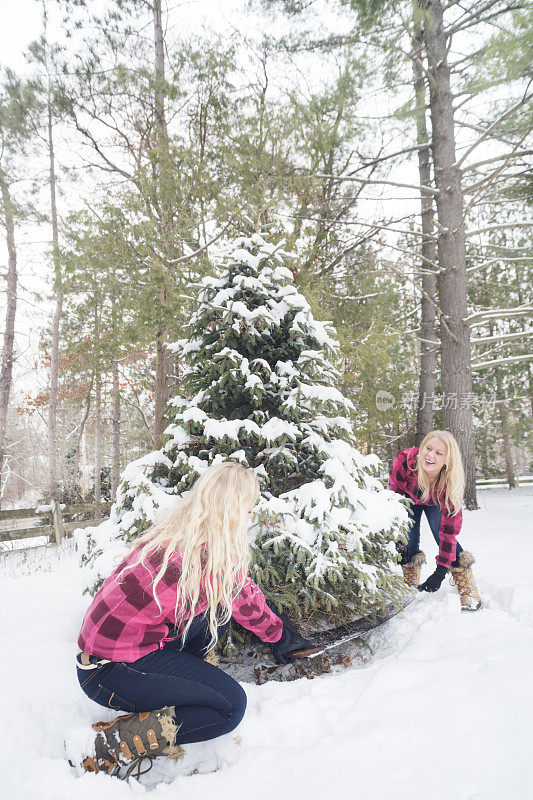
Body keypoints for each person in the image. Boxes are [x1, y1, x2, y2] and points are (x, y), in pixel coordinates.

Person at [75, 461, 311, 778]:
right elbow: (246, 603)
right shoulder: (203, 556)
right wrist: (283, 638)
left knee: (216, 612)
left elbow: (239, 593)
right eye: (248, 507)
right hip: (111, 672)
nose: (251, 515)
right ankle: (106, 745)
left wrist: (280, 632)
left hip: (111, 656)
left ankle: (185, 688)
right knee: (230, 707)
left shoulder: (178, 537)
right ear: (232, 510)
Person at [388, 430, 482, 612]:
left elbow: (449, 533)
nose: (430, 455)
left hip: (436, 501)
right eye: (428, 448)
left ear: (448, 460)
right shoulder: (404, 462)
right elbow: (394, 503)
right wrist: (398, 539)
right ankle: (409, 586)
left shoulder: (451, 483)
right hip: (408, 500)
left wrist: (440, 572)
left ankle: (468, 587)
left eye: (439, 453)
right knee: (408, 537)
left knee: (440, 530)